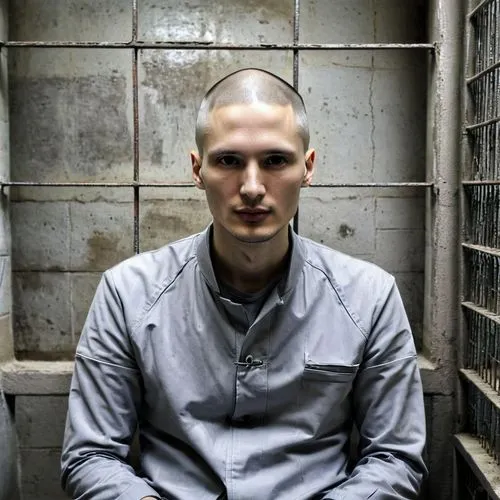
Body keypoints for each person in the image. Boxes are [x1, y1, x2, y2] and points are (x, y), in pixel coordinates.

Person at [61, 68, 427, 499]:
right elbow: (90, 455)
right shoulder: (128, 294)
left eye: (275, 160)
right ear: (198, 170)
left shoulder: (369, 297)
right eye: (228, 161)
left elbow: (395, 456)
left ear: (307, 167)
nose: (252, 188)